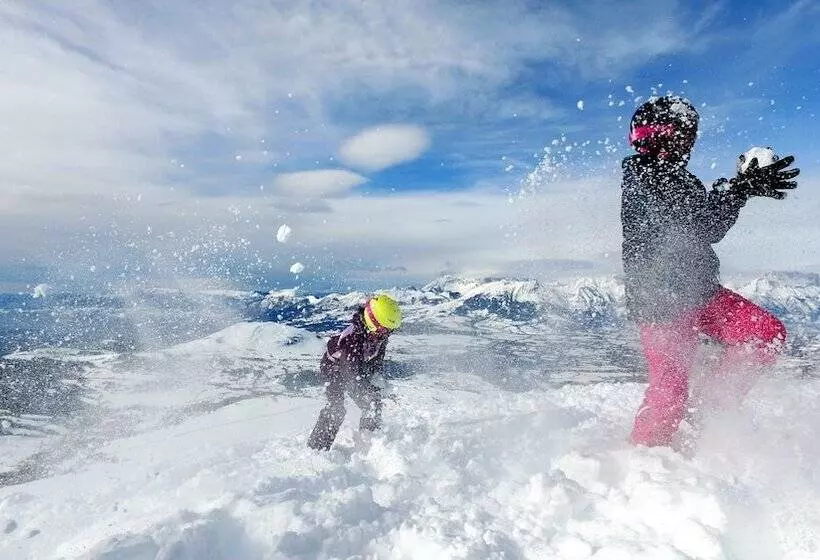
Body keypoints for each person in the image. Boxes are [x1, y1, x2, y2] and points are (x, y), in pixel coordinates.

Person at [621, 95, 800, 448]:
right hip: (661, 302)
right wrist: (740, 189)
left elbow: (704, 218)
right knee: (669, 394)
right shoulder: (644, 178)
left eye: (691, 137)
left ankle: (711, 408)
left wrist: (735, 188)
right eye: (682, 135)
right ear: (658, 136)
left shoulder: (678, 178)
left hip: (700, 291)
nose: (689, 144)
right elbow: (703, 225)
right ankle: (642, 460)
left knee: (765, 334)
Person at [307, 294, 402, 450]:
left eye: (390, 330)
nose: (387, 334)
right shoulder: (351, 340)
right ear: (373, 321)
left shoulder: (378, 335)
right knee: (336, 409)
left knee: (373, 401)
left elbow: (375, 362)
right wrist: (365, 388)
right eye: (384, 329)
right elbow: (352, 377)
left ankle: (370, 443)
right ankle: (316, 449)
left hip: (356, 367)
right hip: (334, 369)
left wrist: (376, 381)